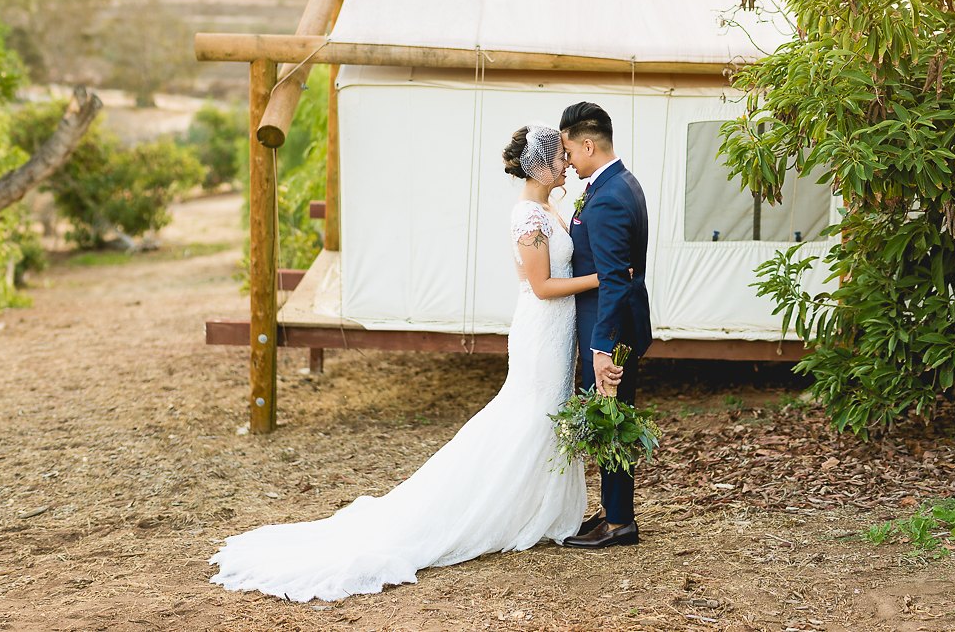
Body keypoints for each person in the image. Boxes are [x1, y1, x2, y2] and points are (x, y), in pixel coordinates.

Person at [208, 124, 598, 602]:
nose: (567, 163)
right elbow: (540, 287)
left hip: (558, 332)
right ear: (541, 165)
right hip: (541, 328)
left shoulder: (547, 208)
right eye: (560, 156)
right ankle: (496, 509)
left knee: (546, 414)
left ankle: (539, 509)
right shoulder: (526, 218)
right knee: (530, 414)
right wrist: (601, 280)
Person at [558, 101, 653, 549]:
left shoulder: (610, 197)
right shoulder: (619, 183)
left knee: (612, 418)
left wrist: (601, 349)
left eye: (570, 152)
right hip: (617, 324)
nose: (568, 162)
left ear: (589, 145)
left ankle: (620, 523)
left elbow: (615, 281)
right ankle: (613, 512)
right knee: (612, 418)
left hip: (612, 329)